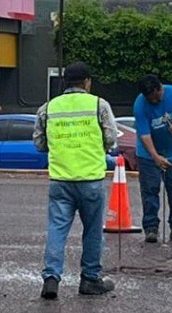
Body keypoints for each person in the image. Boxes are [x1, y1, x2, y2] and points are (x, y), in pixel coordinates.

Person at [34, 62, 118, 299]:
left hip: (60, 179)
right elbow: (110, 137)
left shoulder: (48, 108)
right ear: (87, 82)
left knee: (57, 230)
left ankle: (51, 279)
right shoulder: (98, 105)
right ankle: (90, 279)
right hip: (90, 178)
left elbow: (39, 143)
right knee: (92, 231)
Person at [133, 74, 172, 244]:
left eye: (157, 97)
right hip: (148, 155)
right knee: (150, 191)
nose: (154, 101)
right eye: (150, 99)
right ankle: (151, 228)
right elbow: (144, 135)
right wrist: (155, 157)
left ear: (160, 88)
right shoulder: (140, 104)